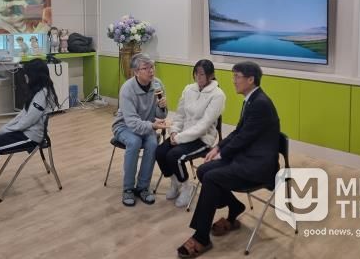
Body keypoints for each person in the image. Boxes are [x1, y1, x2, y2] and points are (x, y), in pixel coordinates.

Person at [176, 61, 280, 258]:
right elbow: (239, 132)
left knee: (211, 177)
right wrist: (218, 147)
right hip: (247, 157)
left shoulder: (260, 104)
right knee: (203, 171)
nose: (233, 81)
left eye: (237, 77)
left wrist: (222, 153)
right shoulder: (251, 99)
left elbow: (243, 138)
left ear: (251, 79)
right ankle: (235, 207)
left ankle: (201, 237)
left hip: (258, 166)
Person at [0, 59, 58, 201]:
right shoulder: (36, 90)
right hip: (24, 131)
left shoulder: (42, 95)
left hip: (30, 137)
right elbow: (23, 114)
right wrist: (6, 128)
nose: (25, 77)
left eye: (27, 74)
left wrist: (7, 130)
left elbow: (27, 122)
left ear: (35, 75)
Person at [155, 59, 225, 208]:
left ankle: (187, 186)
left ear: (211, 75)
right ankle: (175, 182)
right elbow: (180, 115)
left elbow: (203, 125)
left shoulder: (218, 95)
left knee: (174, 156)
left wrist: (179, 138)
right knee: (160, 152)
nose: (198, 77)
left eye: (202, 74)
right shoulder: (188, 89)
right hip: (182, 134)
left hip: (202, 139)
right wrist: (174, 132)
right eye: (196, 73)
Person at [112, 53, 167, 206]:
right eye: (146, 68)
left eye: (152, 67)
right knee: (135, 141)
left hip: (146, 125)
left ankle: (143, 187)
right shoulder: (127, 89)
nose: (151, 71)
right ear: (136, 72)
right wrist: (152, 126)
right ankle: (128, 188)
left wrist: (162, 107)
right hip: (124, 126)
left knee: (152, 143)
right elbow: (132, 123)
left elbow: (161, 115)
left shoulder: (157, 84)